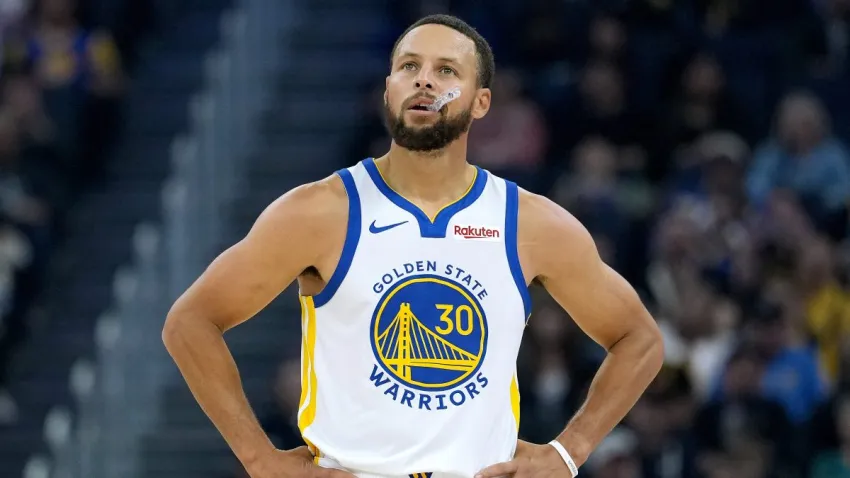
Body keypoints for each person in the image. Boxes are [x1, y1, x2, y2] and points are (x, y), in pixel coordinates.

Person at [162, 14, 664, 478]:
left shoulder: (528, 223)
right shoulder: (319, 212)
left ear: (481, 101)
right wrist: (259, 458)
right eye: (409, 67)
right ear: (388, 91)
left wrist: (567, 452)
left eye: (446, 70)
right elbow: (190, 322)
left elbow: (639, 340)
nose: (424, 80)